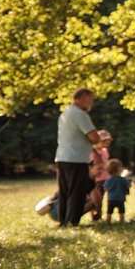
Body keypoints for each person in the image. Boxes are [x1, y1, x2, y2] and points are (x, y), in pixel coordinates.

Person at [54, 88, 104, 226]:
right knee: (77, 191)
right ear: (82, 97)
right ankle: (72, 222)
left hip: (61, 157)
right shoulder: (80, 115)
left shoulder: (65, 114)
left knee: (65, 192)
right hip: (76, 158)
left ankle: (63, 221)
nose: (91, 103)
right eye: (90, 99)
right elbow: (94, 137)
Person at [103, 159, 131, 223]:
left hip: (111, 199)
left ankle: (108, 221)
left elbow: (105, 188)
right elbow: (128, 185)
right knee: (121, 211)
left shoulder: (108, 179)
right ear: (118, 169)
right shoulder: (122, 179)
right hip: (120, 199)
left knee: (109, 211)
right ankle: (122, 221)